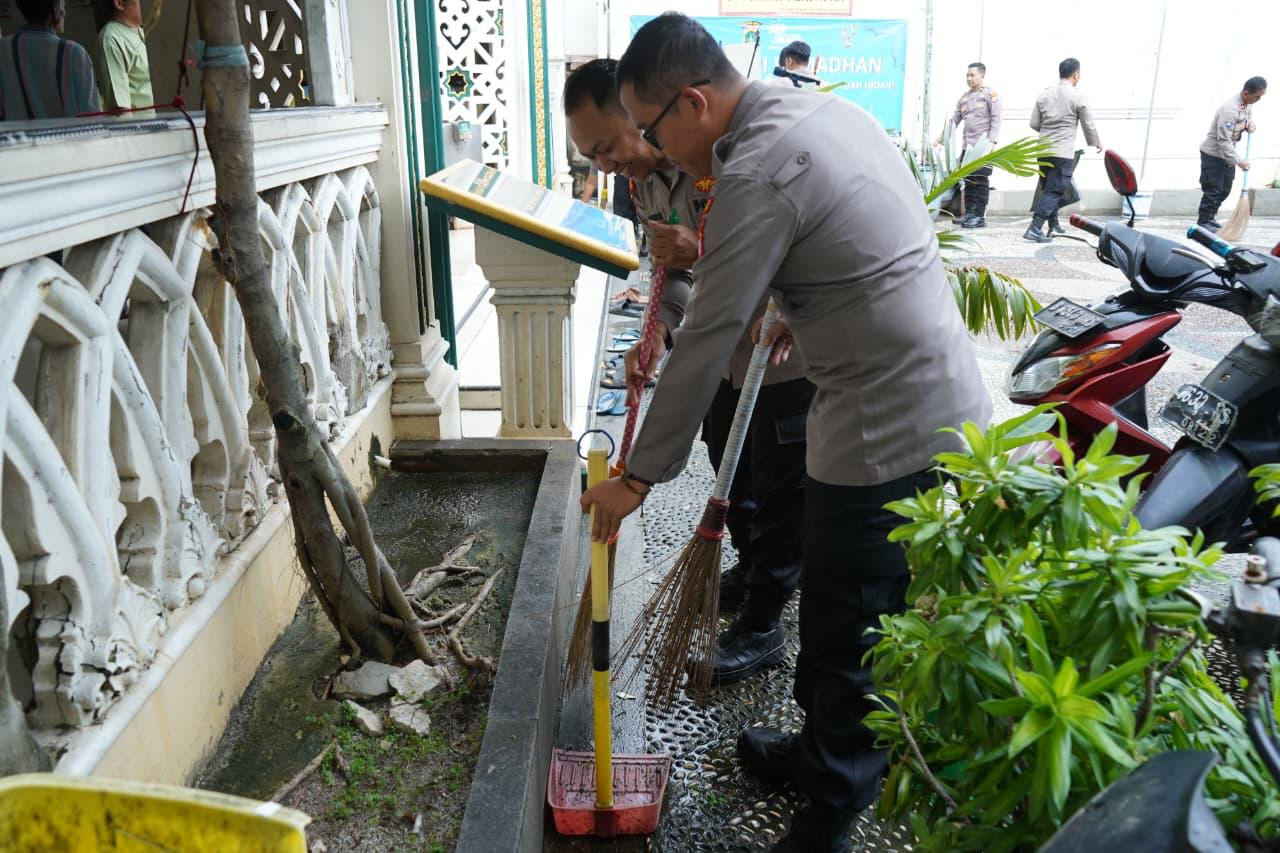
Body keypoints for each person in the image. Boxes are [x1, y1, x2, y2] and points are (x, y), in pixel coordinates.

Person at [580, 14, 991, 851]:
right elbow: (847, 244)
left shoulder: (757, 169)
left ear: (694, 103)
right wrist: (794, 308)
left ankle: (830, 809)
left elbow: (708, 333)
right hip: (903, 388)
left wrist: (638, 477)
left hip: (889, 420)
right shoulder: (812, 110)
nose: (652, 150)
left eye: (651, 129)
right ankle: (815, 750)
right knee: (835, 601)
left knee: (850, 622)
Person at [564, 58, 815, 685]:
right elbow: (672, 277)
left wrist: (698, 250)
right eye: (591, 156)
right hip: (720, 363)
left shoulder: (723, 162)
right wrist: (659, 331)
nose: (604, 166)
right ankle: (752, 570)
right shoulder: (644, 184)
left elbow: (767, 255)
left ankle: (764, 623)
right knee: (734, 477)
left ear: (640, 114)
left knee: (780, 494)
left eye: (607, 146)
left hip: (779, 361)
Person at [1026, 57, 1100, 243]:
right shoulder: (1078, 96)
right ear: (1076, 75)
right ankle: (1035, 228)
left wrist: (1048, 131)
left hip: (1043, 150)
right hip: (1062, 151)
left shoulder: (1044, 94)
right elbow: (1088, 123)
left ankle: (1054, 225)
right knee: (1055, 191)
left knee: (1048, 189)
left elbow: (1034, 123)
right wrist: (1096, 142)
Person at [0, 0, 101, 121]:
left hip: (15, 133)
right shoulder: (73, 53)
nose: (64, 11)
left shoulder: (3, 49)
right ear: (56, 11)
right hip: (68, 133)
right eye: (63, 6)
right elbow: (91, 115)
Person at [1198, 76, 1266, 230]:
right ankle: (1203, 222)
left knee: (1225, 190)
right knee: (1213, 190)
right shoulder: (1230, 109)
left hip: (1228, 155)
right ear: (1246, 93)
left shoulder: (1247, 103)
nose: (1258, 100)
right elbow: (1223, 141)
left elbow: (1247, 116)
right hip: (1214, 155)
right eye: (1257, 97)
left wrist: (1249, 124)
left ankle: (1211, 217)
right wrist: (1239, 161)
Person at [946, 61, 1001, 228]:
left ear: (982, 76)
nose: (969, 78)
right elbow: (954, 120)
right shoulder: (964, 98)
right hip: (967, 147)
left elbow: (996, 119)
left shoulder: (990, 94)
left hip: (983, 146)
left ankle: (979, 216)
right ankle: (969, 213)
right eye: (967, 75)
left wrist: (992, 142)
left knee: (980, 180)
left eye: (972, 75)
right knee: (968, 181)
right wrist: (941, 139)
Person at [93, 0, 153, 117]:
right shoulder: (111, 39)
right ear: (119, 3)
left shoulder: (140, 31)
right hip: (146, 127)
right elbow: (121, 111)